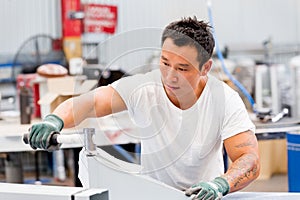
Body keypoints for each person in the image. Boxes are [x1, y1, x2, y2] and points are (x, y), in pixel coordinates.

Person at [28, 16, 260, 200]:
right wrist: (54, 120)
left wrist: (220, 184)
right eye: (165, 63)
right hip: (151, 196)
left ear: (205, 67)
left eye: (182, 68)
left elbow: (248, 157)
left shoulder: (224, 99)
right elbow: (89, 104)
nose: (170, 76)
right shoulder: (143, 88)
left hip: (203, 198)